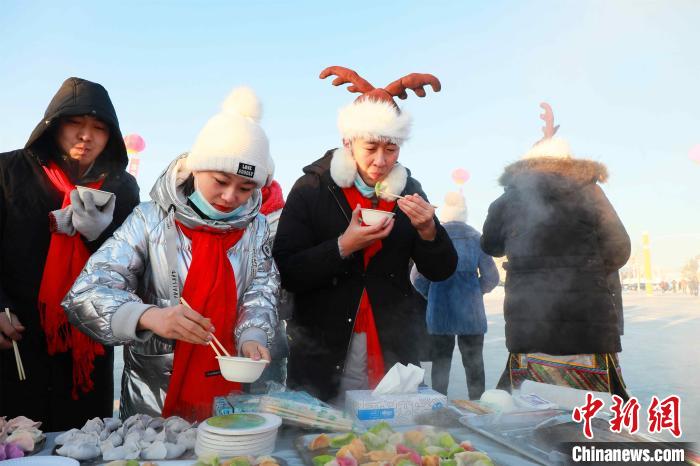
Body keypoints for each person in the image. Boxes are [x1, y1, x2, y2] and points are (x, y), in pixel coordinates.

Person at [63, 87, 279, 421]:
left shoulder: (257, 227)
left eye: (246, 188)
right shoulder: (151, 219)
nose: (230, 196)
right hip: (154, 394)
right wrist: (150, 316)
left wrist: (252, 335)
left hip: (233, 391)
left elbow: (260, 291)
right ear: (197, 168)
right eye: (221, 180)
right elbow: (87, 292)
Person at [273, 66, 458, 402]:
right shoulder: (313, 188)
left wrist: (429, 231)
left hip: (392, 343)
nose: (380, 161)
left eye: (391, 149)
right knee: (324, 442)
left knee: (389, 444)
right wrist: (344, 246)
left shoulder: (408, 189)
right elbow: (287, 269)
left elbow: (441, 270)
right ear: (348, 142)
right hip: (322, 344)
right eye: (371, 147)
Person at [0, 77, 140, 431]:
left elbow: (131, 264)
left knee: (84, 440)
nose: (85, 135)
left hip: (86, 343)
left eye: (98, 128)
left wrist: (97, 236)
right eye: (75, 123)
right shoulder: (7, 172)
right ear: (53, 125)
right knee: (17, 440)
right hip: (17, 334)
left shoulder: (120, 187)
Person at [481, 103, 630, 398]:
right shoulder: (591, 192)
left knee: (526, 411)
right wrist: (587, 269)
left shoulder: (510, 198)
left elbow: (490, 245)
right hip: (589, 328)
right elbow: (620, 248)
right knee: (597, 416)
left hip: (529, 325)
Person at [411, 191, 499, 399]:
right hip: (471, 312)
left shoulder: (434, 236)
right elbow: (492, 277)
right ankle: (478, 406)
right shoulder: (477, 238)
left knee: (441, 363)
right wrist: (476, 291)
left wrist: (431, 294)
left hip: (440, 310)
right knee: (474, 362)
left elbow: (416, 277)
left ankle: (438, 404)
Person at [243, 179, 291, 393]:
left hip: (269, 323)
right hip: (213, 328)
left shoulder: (286, 217)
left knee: (264, 404)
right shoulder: (210, 210)